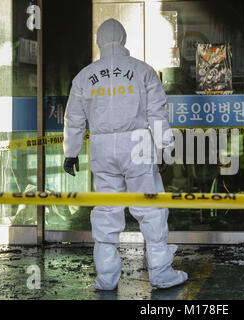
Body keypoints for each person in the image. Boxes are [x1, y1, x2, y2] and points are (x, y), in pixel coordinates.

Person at [62, 18, 188, 290]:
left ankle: (106, 278)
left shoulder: (84, 76)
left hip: (102, 149)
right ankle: (161, 273)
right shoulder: (143, 71)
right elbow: (157, 113)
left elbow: (73, 118)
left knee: (107, 212)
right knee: (151, 209)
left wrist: (70, 152)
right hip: (138, 145)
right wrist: (165, 148)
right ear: (124, 38)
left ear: (99, 41)